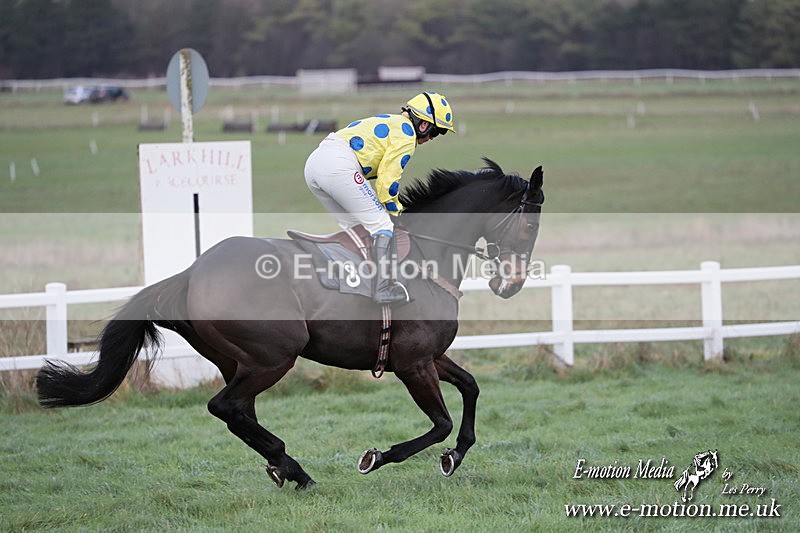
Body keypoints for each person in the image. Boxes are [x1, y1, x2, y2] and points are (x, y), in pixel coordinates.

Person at [304, 91, 455, 305]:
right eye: (436, 132)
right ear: (423, 125)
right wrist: (398, 213)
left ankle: (357, 285)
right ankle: (382, 289)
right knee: (382, 225)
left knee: (358, 230)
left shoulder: (394, 123)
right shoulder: (406, 137)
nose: (431, 138)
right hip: (338, 166)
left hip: (314, 165)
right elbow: (387, 184)